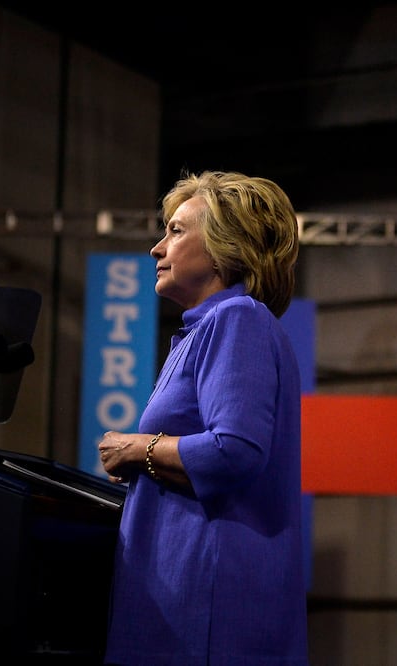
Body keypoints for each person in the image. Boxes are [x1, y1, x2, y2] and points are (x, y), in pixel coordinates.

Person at [97, 170, 308, 665]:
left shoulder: (238, 319)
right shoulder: (204, 331)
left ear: (222, 249)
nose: (156, 247)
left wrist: (137, 449)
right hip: (183, 608)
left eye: (175, 231)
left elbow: (235, 450)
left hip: (206, 615)